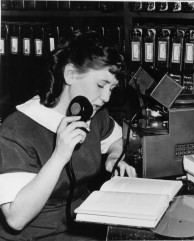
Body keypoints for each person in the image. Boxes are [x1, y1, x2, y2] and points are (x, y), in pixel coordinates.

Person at [0, 30, 136, 240]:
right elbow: (16, 219)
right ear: (70, 74)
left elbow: (116, 139)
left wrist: (113, 158)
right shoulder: (17, 130)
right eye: (100, 85)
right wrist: (59, 156)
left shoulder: (93, 113)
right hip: (33, 235)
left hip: (83, 224)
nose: (106, 97)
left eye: (112, 88)